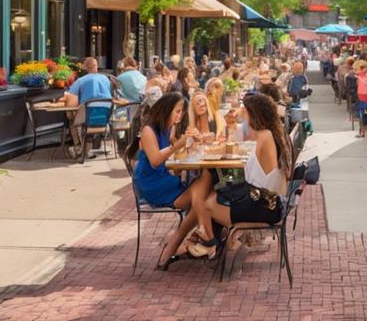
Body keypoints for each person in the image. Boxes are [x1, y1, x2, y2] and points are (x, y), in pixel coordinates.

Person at [190, 94, 294, 259]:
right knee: (214, 185)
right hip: (266, 200)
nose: (243, 115)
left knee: (207, 201)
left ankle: (210, 243)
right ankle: (210, 241)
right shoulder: (272, 132)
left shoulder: (264, 135)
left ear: (255, 114)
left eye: (246, 112)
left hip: (264, 206)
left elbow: (242, 146)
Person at [126, 93, 213, 268]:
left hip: (164, 179)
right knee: (206, 188)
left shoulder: (164, 129)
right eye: (178, 111)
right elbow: (156, 160)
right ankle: (202, 238)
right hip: (152, 185)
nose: (180, 115)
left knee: (205, 192)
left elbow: (169, 157)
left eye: (181, 112)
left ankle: (185, 243)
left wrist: (188, 145)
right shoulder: (148, 131)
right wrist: (179, 145)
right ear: (167, 110)